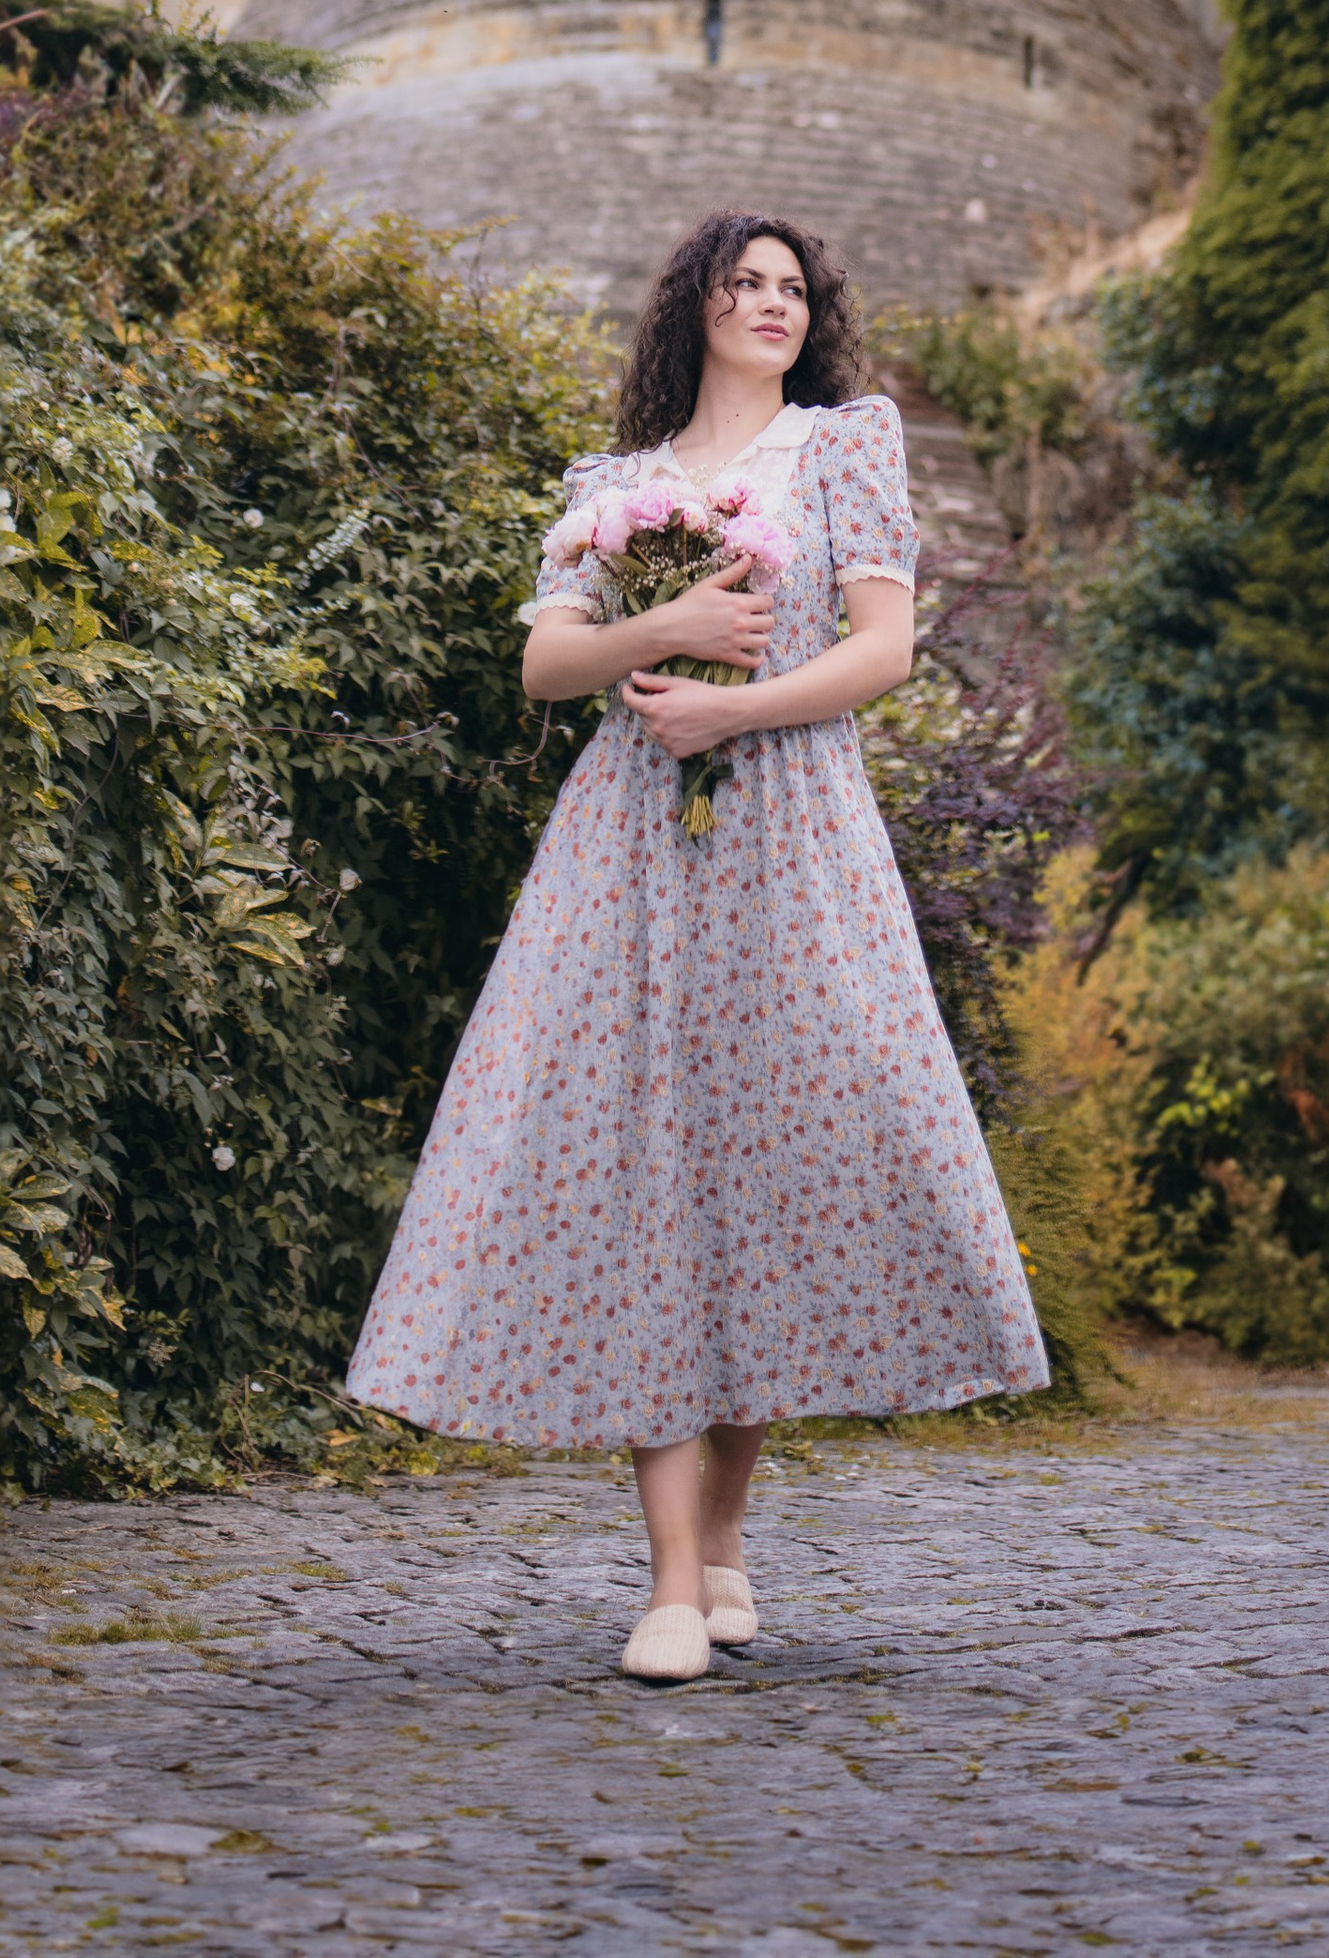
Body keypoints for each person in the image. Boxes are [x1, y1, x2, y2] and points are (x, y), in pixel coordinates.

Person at [345, 208, 1047, 1679]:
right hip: (625, 856)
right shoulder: (615, 486)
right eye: (747, 282)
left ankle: (726, 1533)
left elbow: (883, 651)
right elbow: (548, 663)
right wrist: (653, 626)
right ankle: (670, 1579)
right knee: (643, 1175)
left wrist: (733, 706)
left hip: (795, 841)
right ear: (698, 306)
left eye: (795, 288)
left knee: (765, 1174)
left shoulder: (849, 445)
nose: (774, 303)